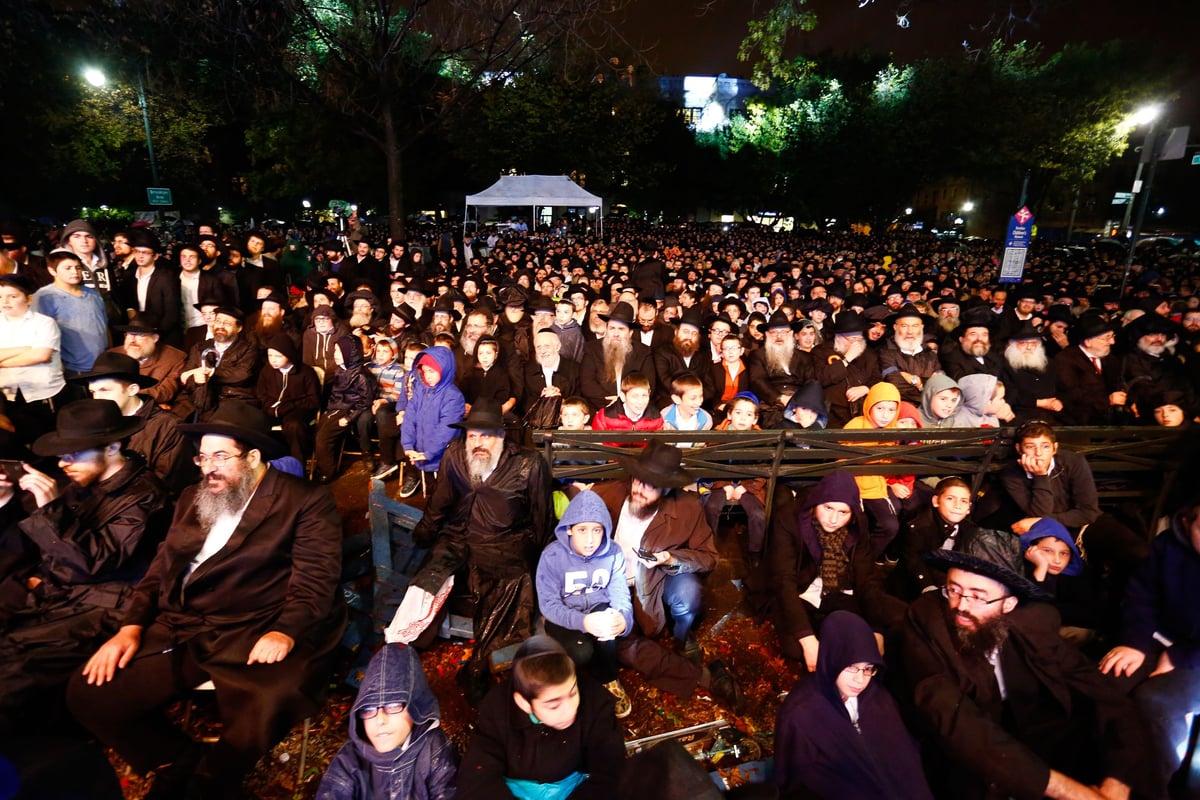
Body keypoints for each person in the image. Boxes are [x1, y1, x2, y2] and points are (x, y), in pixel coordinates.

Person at [67, 401, 346, 799]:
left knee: (270, 698)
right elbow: (161, 568)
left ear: (252, 457)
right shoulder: (192, 497)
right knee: (89, 692)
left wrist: (284, 631)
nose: (208, 467)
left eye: (220, 456)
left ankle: (212, 781)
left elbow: (316, 580)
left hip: (257, 624)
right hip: (184, 623)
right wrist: (130, 628)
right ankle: (178, 759)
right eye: (202, 457)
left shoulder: (304, 501)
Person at [903, 527, 1161, 800]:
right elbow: (951, 717)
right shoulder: (926, 618)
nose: (961, 606)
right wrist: (1071, 792)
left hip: (1032, 732)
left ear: (1009, 604)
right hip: (966, 748)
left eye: (978, 596)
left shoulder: (1035, 621)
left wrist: (1118, 779)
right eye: (953, 590)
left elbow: (1103, 695)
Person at [0, 399, 170, 733]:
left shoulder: (146, 496)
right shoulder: (78, 486)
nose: (63, 463)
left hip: (106, 608)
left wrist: (49, 510)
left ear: (112, 446)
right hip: (58, 597)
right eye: (62, 453)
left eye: (74, 452)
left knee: (14, 671)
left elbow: (93, 563)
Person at [392, 400, 552, 705]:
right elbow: (440, 501)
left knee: (509, 594)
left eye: (486, 436)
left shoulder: (528, 464)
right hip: (458, 537)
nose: (478, 443)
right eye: (473, 436)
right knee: (425, 584)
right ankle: (400, 646)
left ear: (502, 437)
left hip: (503, 543)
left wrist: (541, 559)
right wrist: (425, 531)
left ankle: (478, 666)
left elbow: (541, 516)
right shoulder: (455, 454)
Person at [592, 442, 742, 711]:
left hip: (656, 582)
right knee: (621, 642)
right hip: (609, 587)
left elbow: (708, 557)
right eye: (638, 480)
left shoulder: (688, 508)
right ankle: (706, 678)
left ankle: (682, 636)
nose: (639, 489)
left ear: (667, 488)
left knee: (688, 593)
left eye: (650, 485)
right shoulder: (604, 495)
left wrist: (673, 559)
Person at [774, 610, 933, 800]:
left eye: (868, 669)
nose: (860, 680)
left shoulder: (879, 698)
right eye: (851, 667)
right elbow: (794, 784)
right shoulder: (801, 713)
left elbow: (908, 765)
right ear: (833, 658)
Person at [1100, 497, 1200, 796]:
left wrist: (1177, 657)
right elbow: (1141, 597)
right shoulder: (1167, 546)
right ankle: (1111, 780)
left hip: (1192, 656)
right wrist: (1135, 643)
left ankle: (1153, 790)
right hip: (1161, 639)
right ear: (1187, 522)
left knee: (1155, 700)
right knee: (1108, 680)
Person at [456, 635, 626, 800]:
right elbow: (478, 777)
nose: (570, 710)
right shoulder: (498, 708)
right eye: (553, 705)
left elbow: (611, 772)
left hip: (574, 787)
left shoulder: (596, 701)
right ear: (524, 703)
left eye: (573, 693)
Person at [767, 470, 902, 670]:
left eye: (843, 512)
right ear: (816, 503)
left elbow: (866, 578)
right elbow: (784, 580)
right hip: (799, 590)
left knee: (885, 630)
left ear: (852, 512)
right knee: (797, 649)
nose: (833, 519)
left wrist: (876, 629)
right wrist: (807, 639)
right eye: (828, 508)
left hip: (838, 589)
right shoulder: (789, 518)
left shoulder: (857, 524)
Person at [535, 490, 634, 718]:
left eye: (597, 530)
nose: (590, 540)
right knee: (581, 651)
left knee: (607, 637)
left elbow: (619, 591)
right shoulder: (552, 556)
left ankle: (609, 678)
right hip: (564, 614)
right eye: (582, 530)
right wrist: (583, 622)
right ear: (569, 528)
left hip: (598, 606)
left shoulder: (613, 553)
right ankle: (577, 686)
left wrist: (622, 618)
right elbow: (548, 605)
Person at [316, 644, 457, 800]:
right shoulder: (349, 760)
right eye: (368, 709)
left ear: (415, 708)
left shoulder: (433, 750)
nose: (380, 720)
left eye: (393, 705)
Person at [72, 352, 195, 495]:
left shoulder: (168, 427)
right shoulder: (93, 423)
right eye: (93, 392)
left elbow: (169, 485)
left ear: (132, 390)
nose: (97, 398)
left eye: (104, 390)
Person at [0, 274, 66, 440]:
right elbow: (34, 353)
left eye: (12, 296)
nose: (5, 301)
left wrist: (2, 362)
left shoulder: (44, 323)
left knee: (49, 440)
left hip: (44, 393)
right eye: (0, 297)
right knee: (20, 441)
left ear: (28, 299)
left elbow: (41, 355)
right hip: (9, 393)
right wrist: (24, 349)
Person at [399, 346, 466, 498]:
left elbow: (446, 430)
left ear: (444, 370)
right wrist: (408, 446)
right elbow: (409, 418)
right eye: (424, 370)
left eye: (432, 371)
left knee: (444, 495)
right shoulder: (420, 391)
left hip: (442, 459)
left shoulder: (453, 397)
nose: (427, 376)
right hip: (420, 455)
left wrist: (429, 453)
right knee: (430, 493)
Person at [33, 250, 109, 374]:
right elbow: (40, 336)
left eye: (78, 267)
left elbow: (104, 327)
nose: (75, 272)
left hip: (102, 364)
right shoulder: (45, 297)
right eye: (67, 268)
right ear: (52, 271)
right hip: (72, 369)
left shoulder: (93, 294)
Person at [313, 335, 376, 482]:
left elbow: (365, 401)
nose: (335, 355)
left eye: (339, 352)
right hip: (335, 408)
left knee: (324, 438)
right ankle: (322, 466)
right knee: (318, 433)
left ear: (350, 353)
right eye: (335, 351)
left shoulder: (360, 375)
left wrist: (348, 418)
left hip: (346, 411)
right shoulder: (341, 369)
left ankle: (328, 472)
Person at [110, 317, 188, 409]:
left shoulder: (175, 358)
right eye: (130, 334)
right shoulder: (111, 356)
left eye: (140, 335)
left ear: (155, 338)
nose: (133, 341)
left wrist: (124, 395)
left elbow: (164, 392)